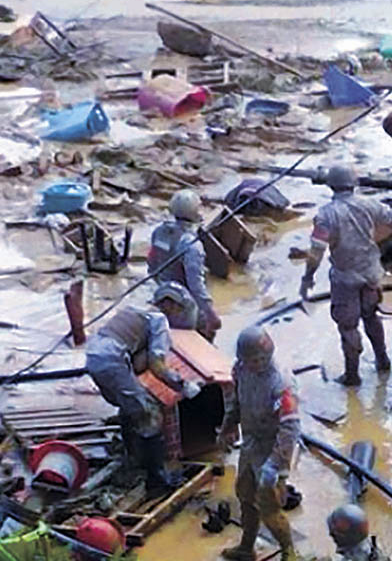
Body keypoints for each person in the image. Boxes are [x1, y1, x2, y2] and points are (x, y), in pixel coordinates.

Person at [84, 284, 202, 498]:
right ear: (168, 304)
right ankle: (156, 481)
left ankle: (134, 458)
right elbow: (157, 367)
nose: (178, 313)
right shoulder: (158, 320)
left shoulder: (135, 310)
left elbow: (138, 361)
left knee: (130, 406)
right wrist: (183, 386)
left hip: (93, 357)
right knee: (149, 414)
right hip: (112, 361)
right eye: (177, 308)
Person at [300, 165, 392, 386]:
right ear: (354, 184)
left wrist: (307, 278)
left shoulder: (325, 215)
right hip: (371, 275)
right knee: (371, 317)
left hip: (345, 280)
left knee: (348, 327)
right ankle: (383, 361)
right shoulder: (370, 205)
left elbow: (316, 252)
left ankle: (352, 375)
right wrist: (386, 240)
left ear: (331, 185)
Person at [218, 327, 301, 561]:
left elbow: (290, 427)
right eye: (250, 360)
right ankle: (247, 547)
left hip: (274, 447)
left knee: (270, 506)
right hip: (251, 442)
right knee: (245, 497)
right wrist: (226, 427)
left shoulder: (282, 381)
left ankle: (289, 553)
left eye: (258, 360)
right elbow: (237, 402)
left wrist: (275, 464)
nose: (254, 364)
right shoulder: (241, 370)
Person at [147, 189, 221, 341]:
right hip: (185, 304)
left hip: (162, 296)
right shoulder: (191, 245)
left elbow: (152, 266)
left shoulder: (159, 232)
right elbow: (196, 285)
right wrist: (211, 314)